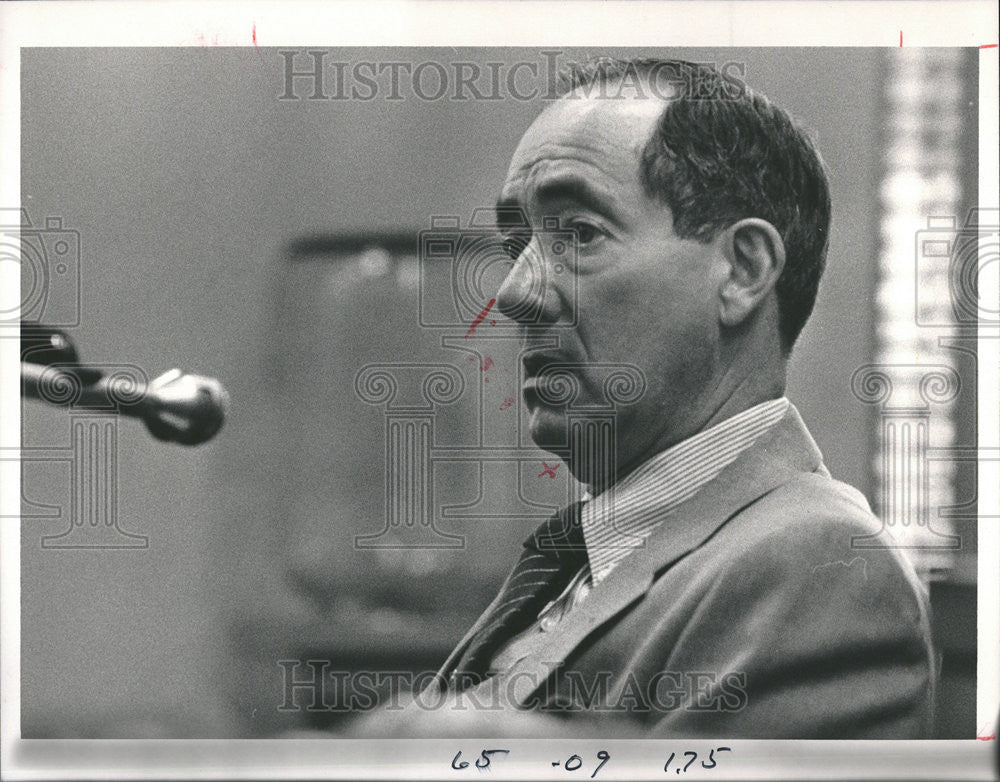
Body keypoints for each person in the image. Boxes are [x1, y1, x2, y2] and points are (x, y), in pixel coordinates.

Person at [382, 57, 935, 739]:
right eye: (515, 245)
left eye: (579, 234)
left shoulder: (823, 566)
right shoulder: (578, 556)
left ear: (742, 270)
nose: (513, 294)